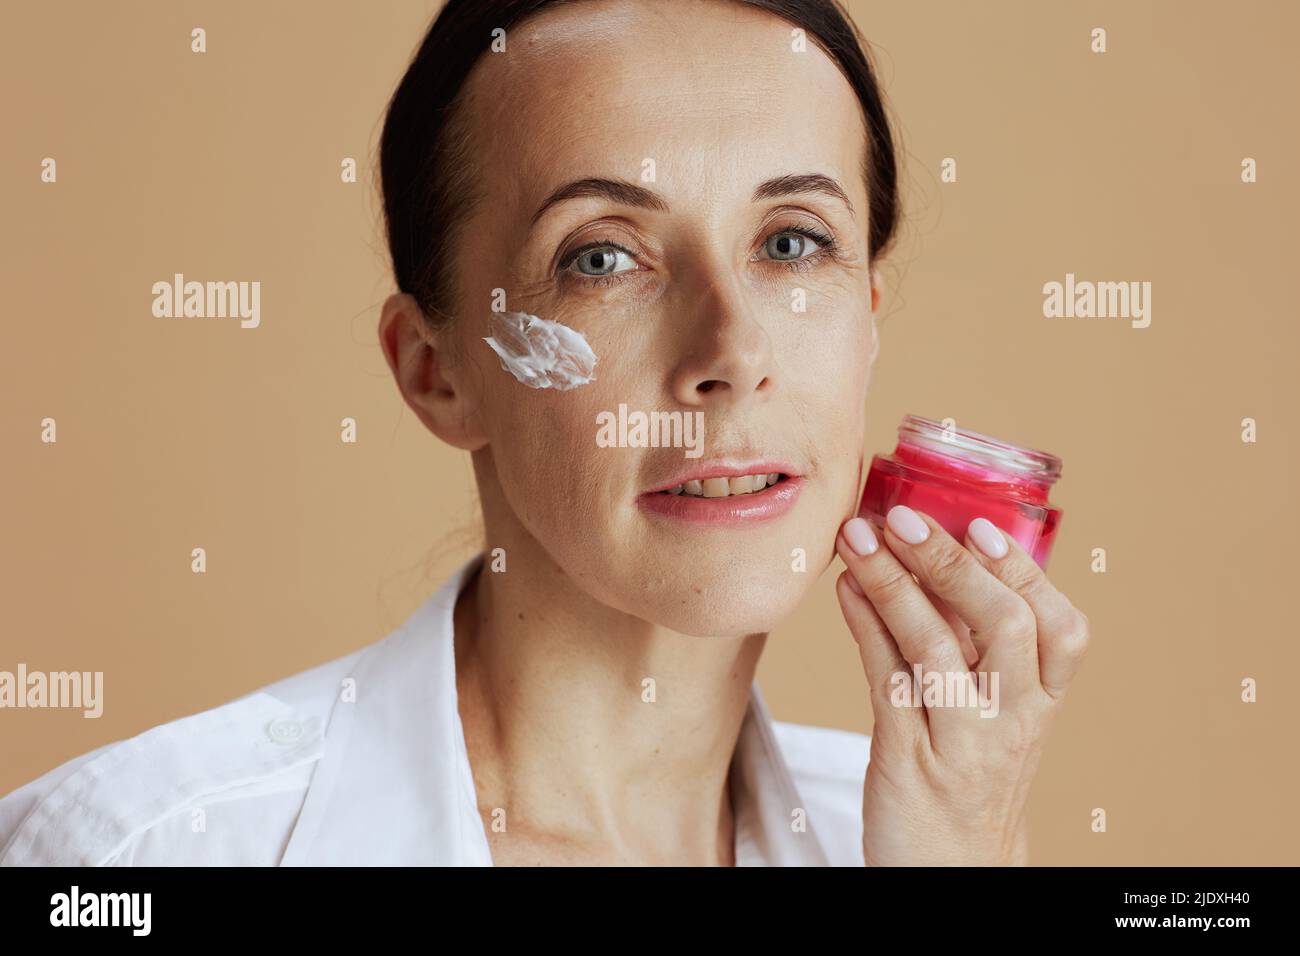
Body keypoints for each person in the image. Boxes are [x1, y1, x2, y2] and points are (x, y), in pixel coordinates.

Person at [0, 0, 1088, 867]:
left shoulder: (920, 834)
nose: (732, 348)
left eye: (794, 243)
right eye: (600, 257)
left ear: (865, 326)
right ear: (437, 373)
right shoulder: (131, 852)